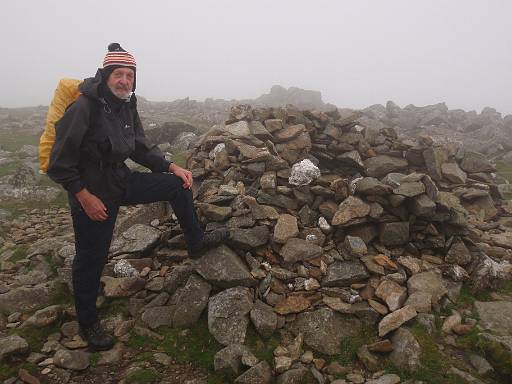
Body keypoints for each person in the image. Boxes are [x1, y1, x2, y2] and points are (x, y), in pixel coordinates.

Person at [47, 43, 229, 351]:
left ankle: (195, 242)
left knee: (176, 185)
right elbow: (59, 163)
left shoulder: (125, 106)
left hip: (120, 180)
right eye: (118, 74)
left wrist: (172, 166)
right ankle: (88, 323)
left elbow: (140, 147)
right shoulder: (83, 108)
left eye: (130, 75)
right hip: (92, 191)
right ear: (105, 75)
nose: (124, 81)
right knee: (91, 257)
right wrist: (83, 196)